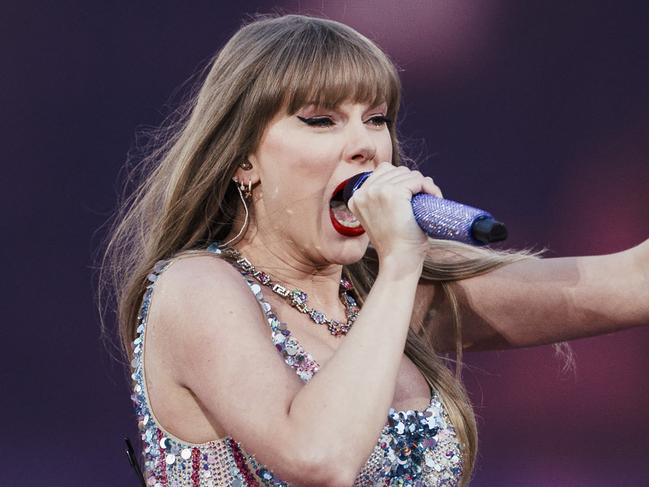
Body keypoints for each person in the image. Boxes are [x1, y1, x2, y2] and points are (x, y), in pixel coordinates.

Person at [100, 13, 649, 486]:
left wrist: (397, 275)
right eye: (321, 120)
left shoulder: (386, 294)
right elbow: (319, 458)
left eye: (377, 119)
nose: (365, 145)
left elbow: (631, 281)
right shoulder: (195, 288)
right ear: (243, 159)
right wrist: (400, 266)